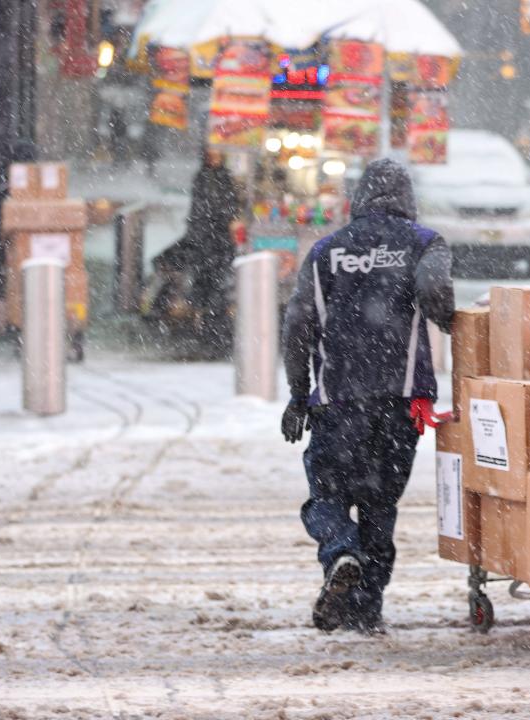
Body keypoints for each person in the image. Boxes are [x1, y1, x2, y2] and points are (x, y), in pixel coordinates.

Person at [281, 158, 454, 635]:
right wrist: (447, 317)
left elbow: (298, 325)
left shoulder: (326, 251)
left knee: (326, 497)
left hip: (339, 404)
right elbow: (435, 289)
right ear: (407, 198)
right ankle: (366, 608)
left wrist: (298, 395)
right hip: (400, 407)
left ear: (359, 197)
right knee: (381, 509)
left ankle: (340, 551)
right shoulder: (424, 243)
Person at [185, 148, 239, 350]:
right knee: (210, 290)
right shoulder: (206, 178)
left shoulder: (219, 178)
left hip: (214, 244)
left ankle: (214, 334)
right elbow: (213, 208)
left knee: (215, 290)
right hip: (209, 244)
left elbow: (222, 207)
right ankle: (211, 333)